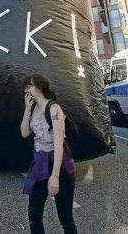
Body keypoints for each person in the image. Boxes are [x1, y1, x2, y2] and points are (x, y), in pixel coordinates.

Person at [21, 74, 77, 234]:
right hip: (40, 164)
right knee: (34, 215)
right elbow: (25, 133)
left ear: (39, 87)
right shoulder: (34, 108)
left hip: (60, 166)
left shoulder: (54, 109)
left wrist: (55, 177)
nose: (26, 90)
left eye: (29, 86)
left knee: (65, 218)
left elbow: (59, 144)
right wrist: (26, 110)